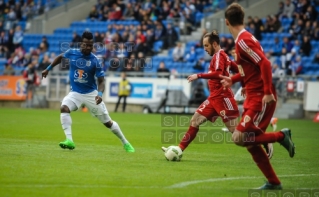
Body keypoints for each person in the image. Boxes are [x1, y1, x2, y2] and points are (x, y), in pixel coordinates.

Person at [221, 3, 295, 189]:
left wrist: (268, 92)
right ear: (243, 19)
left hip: (261, 97)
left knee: (238, 137)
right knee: (249, 142)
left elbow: (265, 64)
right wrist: (234, 80)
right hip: (253, 96)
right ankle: (274, 182)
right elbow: (251, 69)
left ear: (226, 22)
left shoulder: (243, 41)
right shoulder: (244, 40)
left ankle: (280, 136)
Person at [41, 31, 135, 153]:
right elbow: (60, 57)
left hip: (91, 94)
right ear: (81, 44)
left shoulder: (95, 61)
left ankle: (125, 143)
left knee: (108, 123)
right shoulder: (72, 53)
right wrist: (48, 69)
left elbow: (101, 81)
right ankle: (69, 140)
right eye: (86, 45)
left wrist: (100, 94)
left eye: (91, 45)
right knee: (64, 107)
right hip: (75, 93)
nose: (88, 47)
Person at [162, 30, 240, 153]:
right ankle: (179, 149)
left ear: (214, 44)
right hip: (214, 98)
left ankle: (264, 141)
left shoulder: (220, 55)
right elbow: (239, 70)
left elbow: (219, 73)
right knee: (195, 120)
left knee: (236, 133)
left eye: (206, 45)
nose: (204, 48)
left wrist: (198, 75)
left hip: (223, 98)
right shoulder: (223, 56)